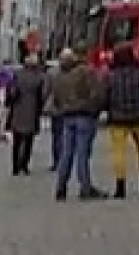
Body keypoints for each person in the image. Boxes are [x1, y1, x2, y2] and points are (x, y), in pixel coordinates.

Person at [48, 48, 107, 201]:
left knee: (66, 154)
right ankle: (85, 187)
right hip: (84, 115)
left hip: (67, 117)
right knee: (82, 154)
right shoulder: (85, 71)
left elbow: (56, 97)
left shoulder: (58, 76)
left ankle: (61, 188)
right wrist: (94, 110)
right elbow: (96, 93)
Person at [103, 44, 139, 198]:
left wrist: (106, 111)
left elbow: (104, 97)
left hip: (118, 119)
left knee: (119, 153)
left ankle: (120, 187)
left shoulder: (111, 76)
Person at [4, 52, 48, 176]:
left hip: (17, 110)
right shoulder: (39, 77)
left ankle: (15, 167)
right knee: (28, 141)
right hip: (32, 111)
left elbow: (11, 92)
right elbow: (43, 95)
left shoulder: (17, 75)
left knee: (16, 142)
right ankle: (24, 165)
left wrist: (10, 101)